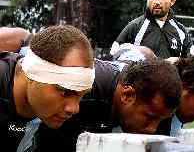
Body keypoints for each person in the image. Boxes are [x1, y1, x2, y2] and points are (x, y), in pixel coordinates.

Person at [31, 57, 182, 152]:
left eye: (159, 121)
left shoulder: (148, 102)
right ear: (127, 95)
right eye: (149, 117)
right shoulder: (82, 93)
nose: (152, 129)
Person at [0, 25, 95, 152]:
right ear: (32, 73)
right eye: (66, 92)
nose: (74, 109)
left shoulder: (52, 114)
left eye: (81, 95)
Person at [110, 0, 194, 59]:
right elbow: (113, 54)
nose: (157, 2)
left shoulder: (181, 31)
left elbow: (193, 60)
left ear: (172, 1)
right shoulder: (135, 26)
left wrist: (178, 61)